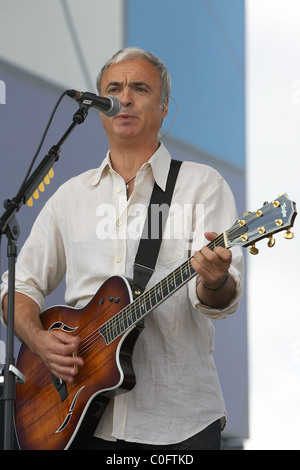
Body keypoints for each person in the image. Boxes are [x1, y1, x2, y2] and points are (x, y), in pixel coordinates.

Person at [1, 47, 243, 450]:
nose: (125, 98)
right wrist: (39, 339)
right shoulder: (70, 196)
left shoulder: (202, 185)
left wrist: (214, 280)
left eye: (141, 88)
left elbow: (220, 298)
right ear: (99, 107)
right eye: (114, 88)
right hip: (78, 423)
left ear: (165, 106)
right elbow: (18, 287)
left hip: (178, 422)